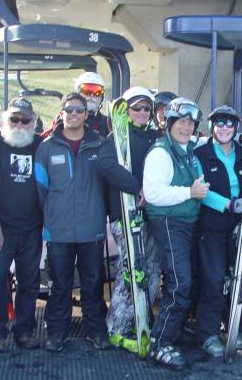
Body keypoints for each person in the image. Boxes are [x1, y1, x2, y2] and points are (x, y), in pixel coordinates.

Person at [35, 92, 110, 352]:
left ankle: (95, 331)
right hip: (59, 230)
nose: (74, 114)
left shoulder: (100, 145)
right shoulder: (46, 147)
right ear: (62, 111)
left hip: (92, 229)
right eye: (69, 110)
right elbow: (40, 190)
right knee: (60, 284)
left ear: (86, 114)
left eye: (79, 110)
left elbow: (108, 186)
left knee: (92, 283)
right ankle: (57, 332)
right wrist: (52, 217)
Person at [143, 97, 208, 369]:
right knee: (179, 283)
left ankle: (175, 328)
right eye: (181, 122)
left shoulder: (189, 150)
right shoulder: (161, 153)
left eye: (191, 123)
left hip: (187, 222)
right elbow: (153, 193)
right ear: (169, 123)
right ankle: (159, 342)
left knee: (188, 280)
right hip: (169, 222)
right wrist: (189, 193)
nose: (186, 127)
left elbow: (202, 189)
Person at [97, 86, 162, 353]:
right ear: (127, 111)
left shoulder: (158, 138)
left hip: (154, 216)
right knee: (131, 272)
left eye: (146, 108)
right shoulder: (114, 139)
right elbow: (105, 165)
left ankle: (141, 319)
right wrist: (137, 187)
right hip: (125, 215)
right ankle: (116, 327)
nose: (142, 113)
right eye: (136, 108)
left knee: (152, 271)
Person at [0, 98, 43, 353]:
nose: (19, 124)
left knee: (29, 281)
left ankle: (24, 329)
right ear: (6, 119)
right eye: (14, 119)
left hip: (31, 228)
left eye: (25, 120)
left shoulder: (39, 144)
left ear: (33, 122)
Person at [193, 105, 242, 357]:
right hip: (212, 225)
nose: (225, 128)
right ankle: (207, 333)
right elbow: (200, 190)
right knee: (214, 279)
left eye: (229, 123)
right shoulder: (201, 154)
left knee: (238, 276)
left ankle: (233, 326)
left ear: (236, 128)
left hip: (238, 225)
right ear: (212, 127)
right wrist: (228, 204)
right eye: (219, 123)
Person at [42, 72, 111, 138]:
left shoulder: (108, 124)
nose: (91, 95)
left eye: (97, 91)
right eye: (86, 90)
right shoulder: (64, 119)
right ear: (77, 93)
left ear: (102, 97)